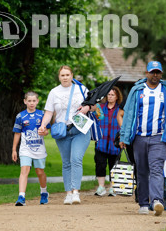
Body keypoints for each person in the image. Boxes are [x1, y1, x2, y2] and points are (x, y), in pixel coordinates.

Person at [119, 61, 166, 216]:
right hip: (139, 138)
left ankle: (156, 201)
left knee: (156, 169)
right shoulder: (137, 90)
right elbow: (128, 115)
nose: (155, 75)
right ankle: (143, 202)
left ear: (161, 74)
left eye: (158, 72)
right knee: (142, 171)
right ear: (146, 73)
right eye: (152, 72)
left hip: (159, 138)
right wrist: (124, 136)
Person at [38, 65, 91, 205]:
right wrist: (43, 125)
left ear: (72, 76)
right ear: (59, 77)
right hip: (63, 131)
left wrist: (85, 109)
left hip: (80, 129)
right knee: (66, 163)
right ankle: (68, 193)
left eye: (68, 75)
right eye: (62, 75)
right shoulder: (54, 92)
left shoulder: (82, 89)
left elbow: (93, 105)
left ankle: (75, 192)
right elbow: (49, 112)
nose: (65, 77)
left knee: (76, 159)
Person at [12, 91, 50, 206]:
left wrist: (44, 132)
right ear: (25, 101)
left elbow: (47, 131)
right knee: (24, 171)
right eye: (29, 101)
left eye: (34, 101)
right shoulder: (20, 116)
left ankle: (44, 192)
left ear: (37, 101)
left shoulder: (42, 115)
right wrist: (14, 149)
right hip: (25, 149)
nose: (31, 103)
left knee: (40, 172)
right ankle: (21, 196)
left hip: (39, 148)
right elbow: (17, 133)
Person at [93, 86, 122, 197]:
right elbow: (95, 120)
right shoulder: (100, 107)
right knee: (100, 164)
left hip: (115, 143)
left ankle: (112, 187)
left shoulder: (120, 109)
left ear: (117, 96)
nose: (110, 97)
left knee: (113, 165)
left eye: (112, 95)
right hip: (101, 141)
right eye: (108, 95)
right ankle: (101, 187)